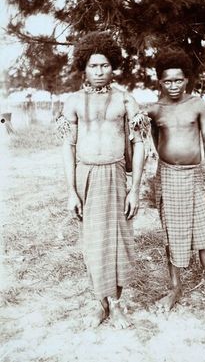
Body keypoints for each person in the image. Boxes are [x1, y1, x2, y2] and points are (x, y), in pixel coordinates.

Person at [57, 31, 148, 328]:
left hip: (117, 175)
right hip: (87, 176)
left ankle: (118, 305)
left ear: (113, 67)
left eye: (105, 65)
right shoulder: (71, 103)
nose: (99, 71)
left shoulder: (126, 100)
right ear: (84, 66)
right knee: (94, 243)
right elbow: (67, 148)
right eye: (93, 66)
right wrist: (71, 191)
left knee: (119, 242)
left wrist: (135, 190)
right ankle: (100, 304)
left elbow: (140, 145)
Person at [147, 49, 205, 316]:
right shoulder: (155, 110)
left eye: (178, 80)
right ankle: (175, 289)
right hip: (168, 178)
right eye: (167, 81)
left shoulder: (197, 105)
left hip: (194, 178)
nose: (173, 85)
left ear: (186, 80)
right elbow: (150, 141)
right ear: (159, 82)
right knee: (173, 236)